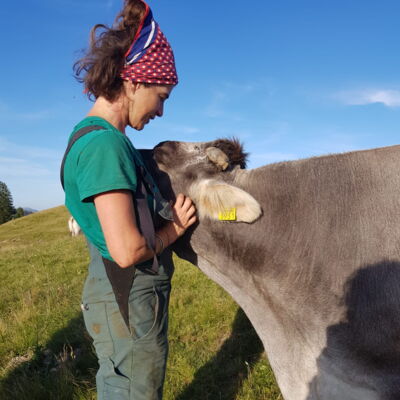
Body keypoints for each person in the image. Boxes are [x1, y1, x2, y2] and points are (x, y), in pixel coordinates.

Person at [61, 1, 196, 399]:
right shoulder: (106, 146)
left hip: (115, 296)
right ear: (135, 82)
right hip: (127, 297)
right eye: (162, 95)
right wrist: (176, 227)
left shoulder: (88, 136)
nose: (162, 110)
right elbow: (126, 249)